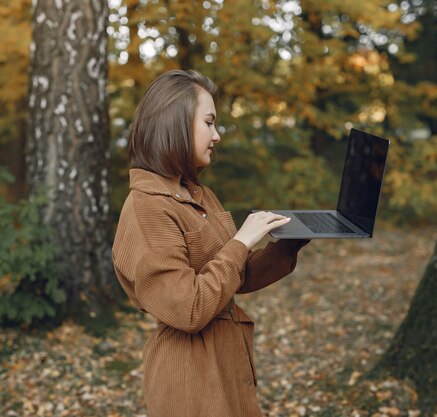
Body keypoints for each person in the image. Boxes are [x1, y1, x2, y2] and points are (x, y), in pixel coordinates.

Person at [112, 69, 309, 417]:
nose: (216, 135)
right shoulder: (147, 208)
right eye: (209, 122)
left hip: (227, 364)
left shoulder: (197, 194)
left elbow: (236, 276)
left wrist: (289, 244)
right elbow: (189, 309)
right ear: (175, 124)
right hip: (189, 379)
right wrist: (241, 241)